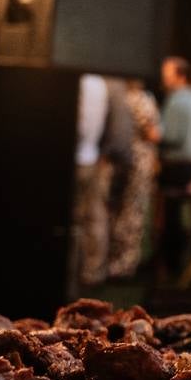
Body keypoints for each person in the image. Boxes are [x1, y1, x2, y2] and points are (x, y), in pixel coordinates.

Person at [106, 79, 160, 280]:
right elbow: (153, 134)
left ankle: (115, 261)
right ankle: (125, 264)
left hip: (121, 159)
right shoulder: (141, 99)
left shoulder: (120, 97)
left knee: (118, 210)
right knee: (133, 211)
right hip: (139, 161)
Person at [155, 57, 191, 276]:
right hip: (189, 165)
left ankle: (170, 262)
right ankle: (176, 260)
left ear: (180, 75)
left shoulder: (176, 101)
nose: (164, 78)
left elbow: (172, 135)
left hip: (174, 164)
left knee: (170, 215)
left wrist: (153, 134)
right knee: (178, 214)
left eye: (168, 73)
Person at [73, 74, 111, 286]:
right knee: (94, 216)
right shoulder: (100, 83)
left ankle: (75, 271)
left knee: (78, 217)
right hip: (92, 155)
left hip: (79, 157)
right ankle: (93, 271)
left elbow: (80, 125)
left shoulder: (83, 82)